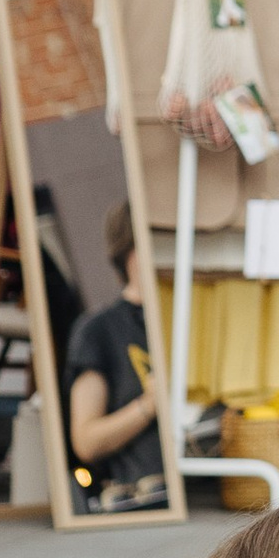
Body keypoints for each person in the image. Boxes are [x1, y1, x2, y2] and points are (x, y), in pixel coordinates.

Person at [65, 201, 165, 511]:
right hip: (142, 494)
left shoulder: (188, 315)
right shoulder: (99, 330)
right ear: (129, 251)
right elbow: (86, 442)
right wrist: (149, 405)